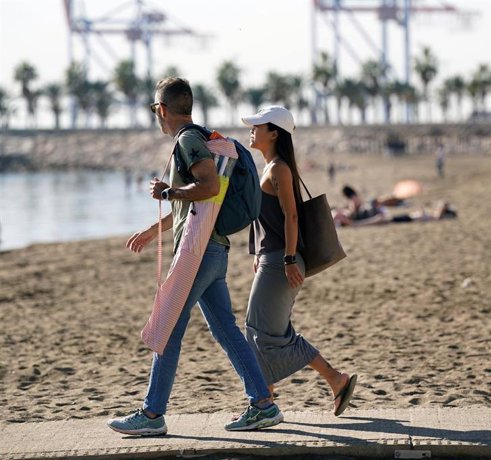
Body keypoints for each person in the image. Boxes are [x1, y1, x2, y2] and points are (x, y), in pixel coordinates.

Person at [107, 77, 283, 436]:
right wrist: (153, 230)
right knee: (226, 331)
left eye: (155, 108)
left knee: (167, 325)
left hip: (199, 252)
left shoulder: (187, 140)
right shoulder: (200, 136)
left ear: (162, 109)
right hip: (213, 249)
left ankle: (152, 414)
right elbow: (198, 202)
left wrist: (168, 190)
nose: (156, 114)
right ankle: (263, 403)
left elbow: (208, 186)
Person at [241, 106, 357, 417]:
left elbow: (292, 216)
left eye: (258, 126)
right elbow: (268, 219)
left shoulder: (278, 168)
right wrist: (260, 254)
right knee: (264, 332)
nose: (251, 130)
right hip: (273, 258)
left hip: (282, 260)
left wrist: (290, 258)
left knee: (259, 332)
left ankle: (263, 400)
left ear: (274, 133)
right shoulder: (268, 167)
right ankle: (333, 380)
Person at [332, 200, 457, 227]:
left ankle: (356, 224)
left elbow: (443, 205)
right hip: (401, 218)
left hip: (404, 219)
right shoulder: (433, 215)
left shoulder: (436, 217)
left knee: (381, 219)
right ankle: (355, 223)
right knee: (381, 219)